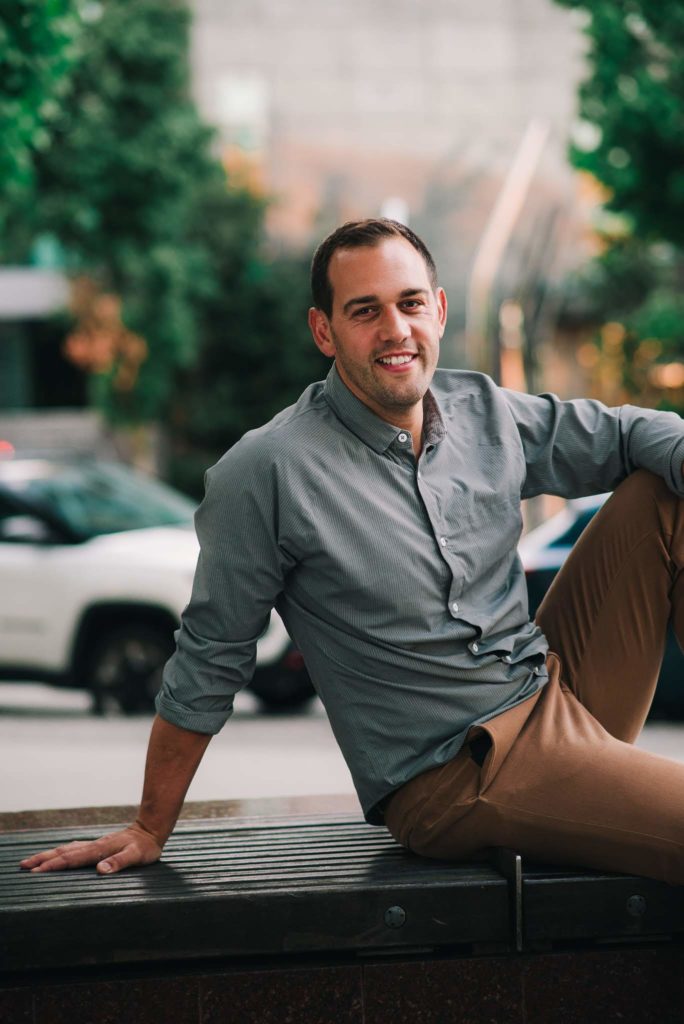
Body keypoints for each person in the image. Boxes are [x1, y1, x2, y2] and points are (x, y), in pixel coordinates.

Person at [21, 218, 684, 885]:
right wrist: (148, 825)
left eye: (410, 303)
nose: (395, 329)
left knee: (665, 491)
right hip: (457, 773)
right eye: (365, 311)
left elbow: (632, 435)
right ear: (324, 331)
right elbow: (210, 658)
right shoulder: (269, 470)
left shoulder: (481, 409)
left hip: (554, 695)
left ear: (439, 310)